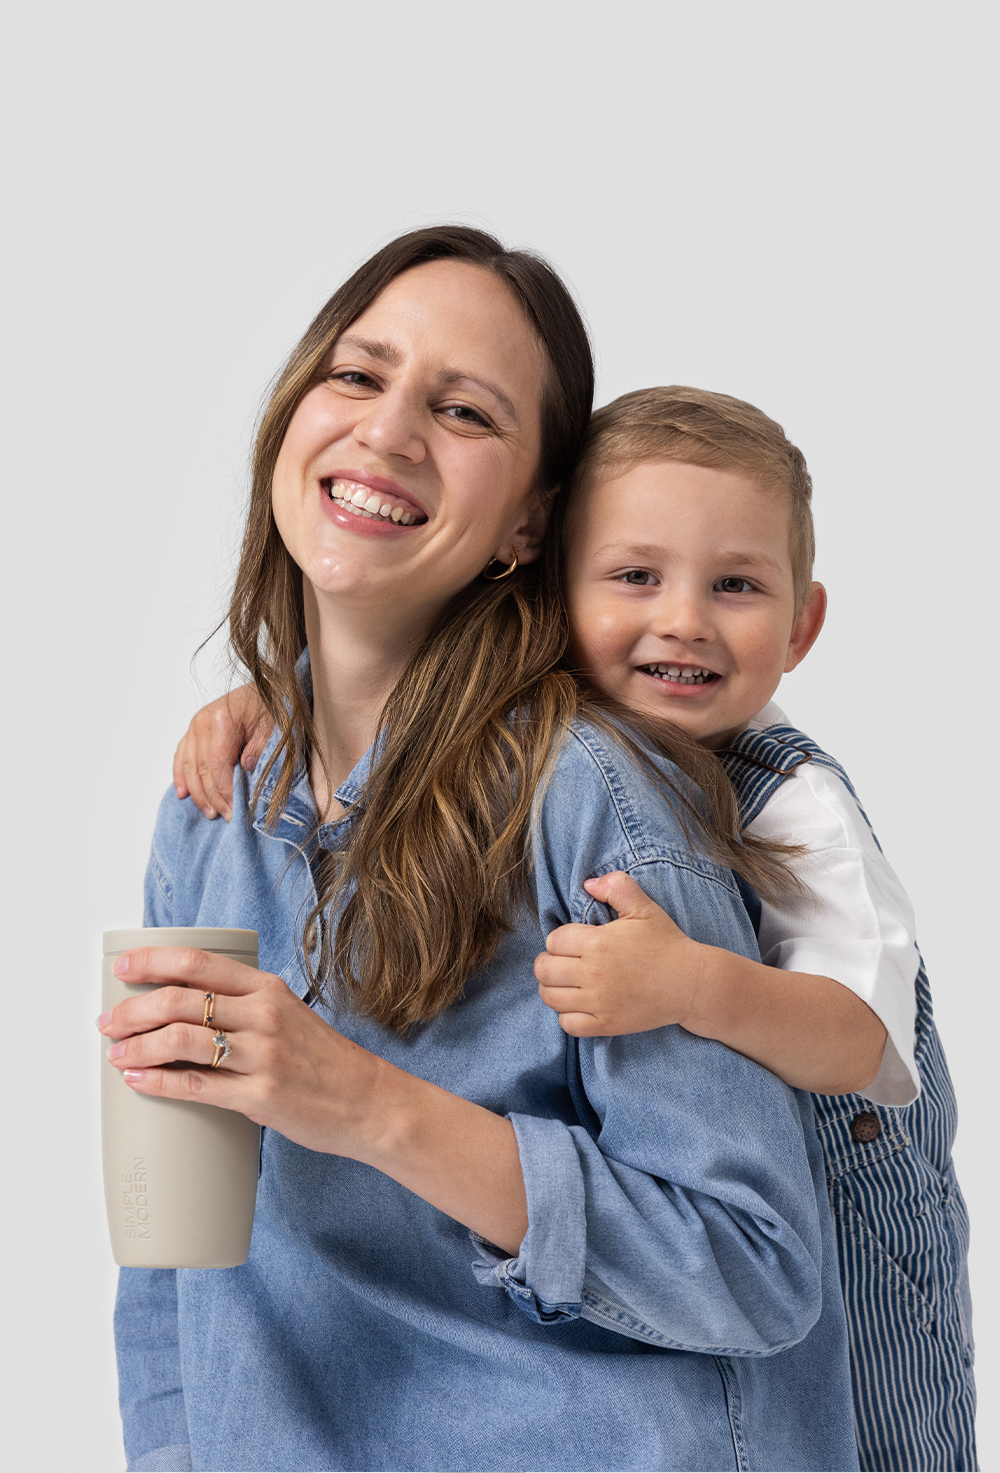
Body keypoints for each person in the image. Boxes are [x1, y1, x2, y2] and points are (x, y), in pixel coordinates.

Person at [102, 229, 858, 1473]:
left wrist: (364, 1106)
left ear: (528, 527)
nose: (389, 433)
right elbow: (171, 1261)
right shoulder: (211, 797)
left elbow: (755, 1271)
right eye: (357, 376)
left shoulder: (595, 803)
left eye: (461, 410)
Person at [181, 383, 976, 1472]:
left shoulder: (800, 806)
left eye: (735, 585)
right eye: (635, 577)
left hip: (859, 1204)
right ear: (554, 594)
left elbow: (858, 1042)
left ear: (802, 624)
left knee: (889, 1435)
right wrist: (267, 696)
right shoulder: (569, 722)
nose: (683, 619)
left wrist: (691, 983)